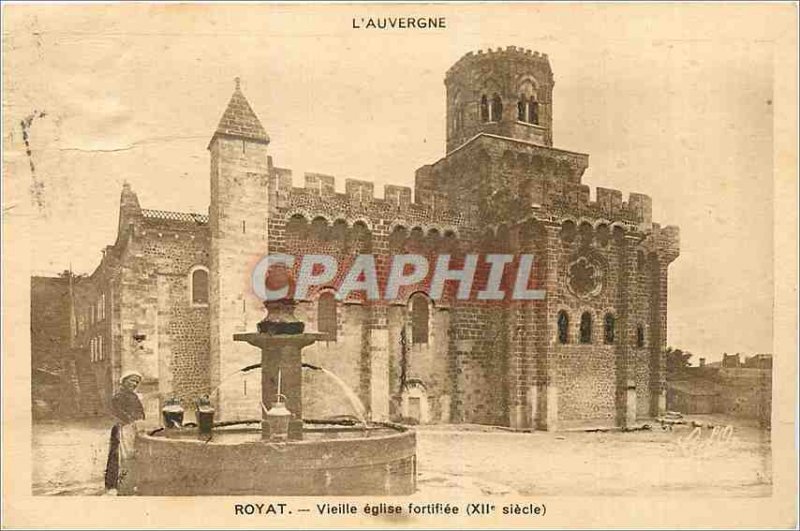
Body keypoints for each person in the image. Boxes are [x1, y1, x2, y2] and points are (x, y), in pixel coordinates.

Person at [104, 370, 145, 494]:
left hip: (133, 428)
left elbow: (140, 412)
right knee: (118, 456)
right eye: (132, 380)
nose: (134, 384)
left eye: (136, 382)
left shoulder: (134, 396)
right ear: (124, 381)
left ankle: (130, 482)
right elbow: (117, 412)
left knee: (133, 455)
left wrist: (140, 420)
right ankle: (114, 485)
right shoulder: (118, 396)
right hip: (121, 428)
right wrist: (130, 419)